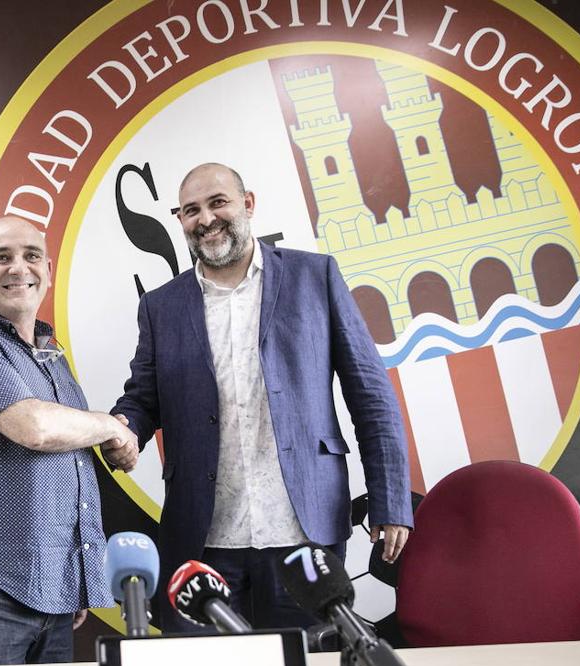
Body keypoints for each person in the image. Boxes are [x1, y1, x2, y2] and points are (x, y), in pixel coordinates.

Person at [105, 163, 412, 633]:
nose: (205, 219)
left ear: (248, 204)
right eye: (190, 211)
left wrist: (389, 500)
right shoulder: (161, 306)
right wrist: (123, 432)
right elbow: (142, 399)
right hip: (203, 543)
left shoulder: (316, 277)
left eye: (217, 202)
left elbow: (371, 396)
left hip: (304, 535)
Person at [0, 215, 139, 665]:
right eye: (1, 258)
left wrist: (72, 578)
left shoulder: (51, 356)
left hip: (53, 591)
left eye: (31, 256)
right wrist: (112, 426)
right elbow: (35, 429)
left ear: (49, 271)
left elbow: (68, 463)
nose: (19, 268)